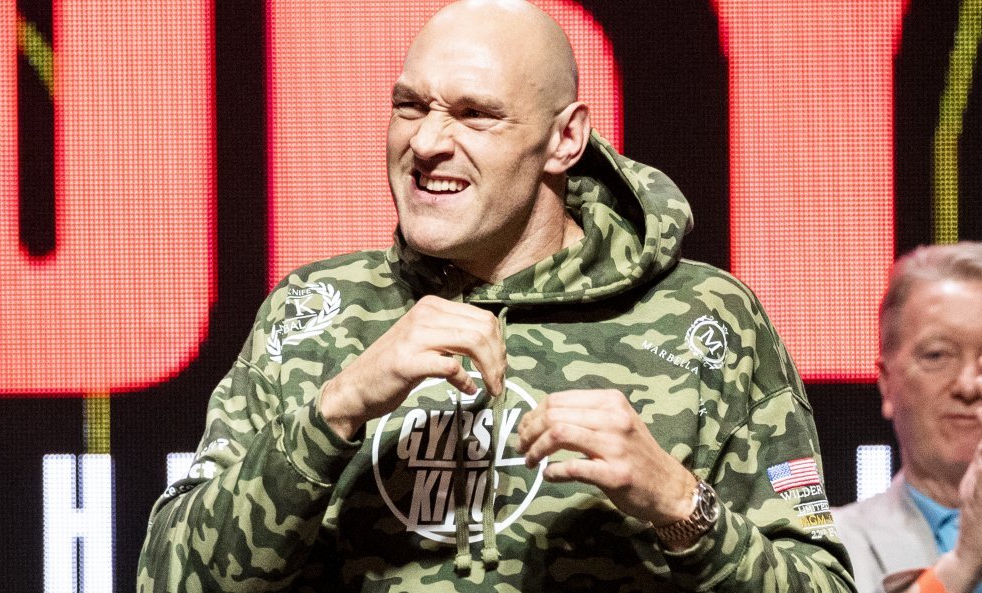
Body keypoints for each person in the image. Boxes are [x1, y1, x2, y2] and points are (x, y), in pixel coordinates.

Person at [137, 1, 855, 590]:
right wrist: (335, 410)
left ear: (565, 138)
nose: (426, 143)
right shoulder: (314, 311)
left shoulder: (708, 320)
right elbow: (167, 578)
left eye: (475, 114)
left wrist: (677, 502)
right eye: (409, 106)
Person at [834, 242, 982, 593]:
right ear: (887, 385)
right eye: (937, 355)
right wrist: (963, 562)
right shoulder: (830, 547)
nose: (969, 385)